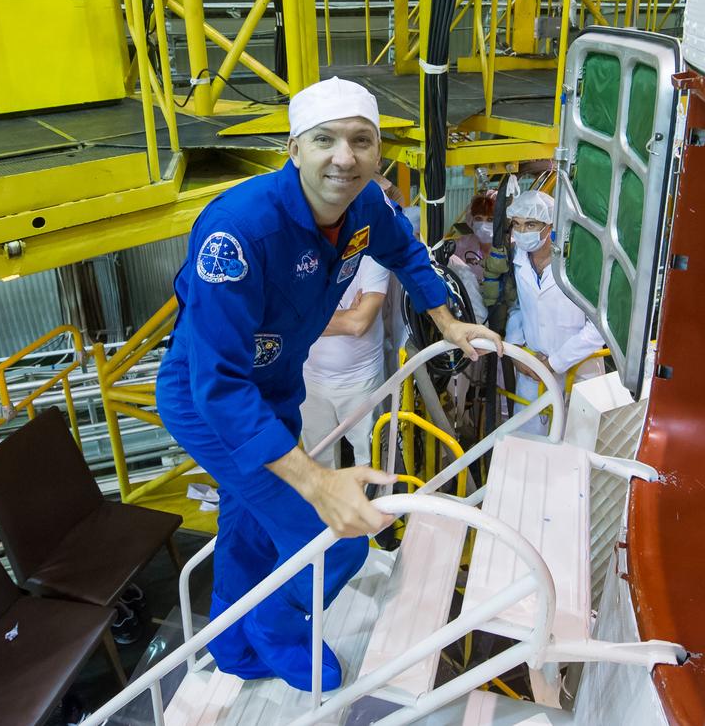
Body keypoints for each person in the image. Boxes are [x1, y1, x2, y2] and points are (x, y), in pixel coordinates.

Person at [154, 77, 500, 692]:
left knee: (248, 522)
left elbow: (408, 251)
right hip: (213, 404)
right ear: (294, 150)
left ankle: (232, 640)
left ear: (377, 152)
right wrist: (316, 481)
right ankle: (274, 631)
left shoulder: (366, 205)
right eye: (325, 140)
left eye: (360, 141)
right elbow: (219, 385)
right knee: (337, 541)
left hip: (279, 387)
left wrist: (446, 321)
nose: (344, 156)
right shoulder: (238, 233)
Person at [504, 189, 605, 415]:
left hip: (577, 372)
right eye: (516, 224)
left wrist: (555, 363)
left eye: (531, 224)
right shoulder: (519, 258)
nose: (521, 232)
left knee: (575, 445)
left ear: (551, 226)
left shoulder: (579, 264)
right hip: (531, 370)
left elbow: (600, 327)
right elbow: (520, 307)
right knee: (528, 444)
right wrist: (516, 349)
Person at [300, 253, 389, 470]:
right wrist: (348, 314)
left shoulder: (373, 255)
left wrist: (303, 318)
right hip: (310, 379)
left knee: (370, 461)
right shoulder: (299, 254)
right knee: (317, 461)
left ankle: (371, 503)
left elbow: (359, 323)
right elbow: (280, 316)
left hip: (361, 380)